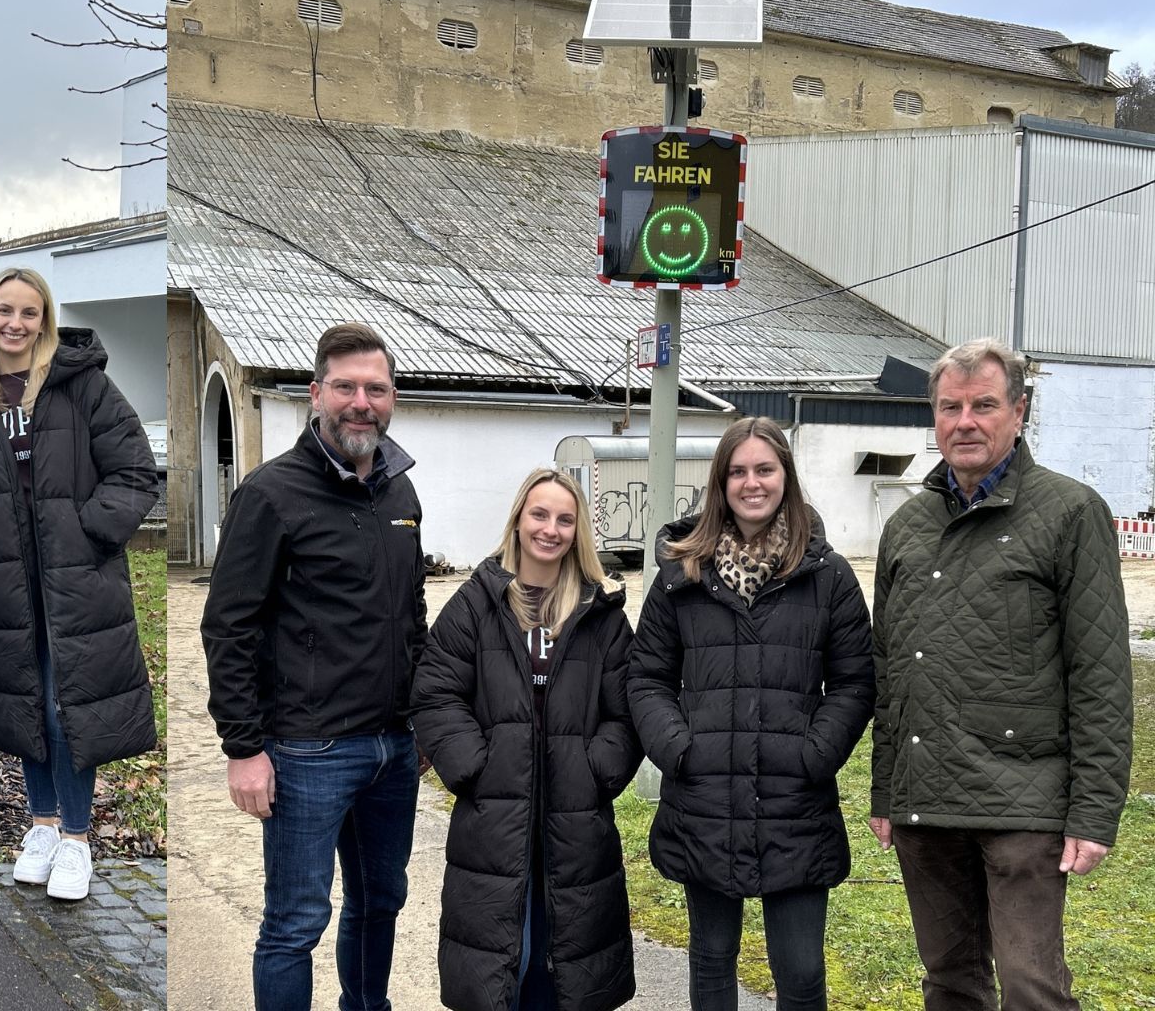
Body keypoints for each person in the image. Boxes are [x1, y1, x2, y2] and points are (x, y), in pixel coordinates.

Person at [870, 338, 1132, 1010]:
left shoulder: (1070, 513)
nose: (965, 422)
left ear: (1018, 411)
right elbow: (889, 666)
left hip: (1024, 803)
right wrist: (884, 790)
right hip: (926, 803)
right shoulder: (907, 526)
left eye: (983, 405)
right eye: (949, 406)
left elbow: (1099, 672)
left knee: (1031, 987)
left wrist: (1095, 812)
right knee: (950, 982)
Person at [201, 321, 427, 1011]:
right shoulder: (271, 495)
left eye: (376, 388)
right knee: (295, 923)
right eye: (346, 387)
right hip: (308, 750)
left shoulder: (401, 494)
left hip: (393, 748)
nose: (362, 401)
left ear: (392, 398)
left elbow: (412, 613)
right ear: (316, 393)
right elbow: (228, 625)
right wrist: (244, 749)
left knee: (381, 902)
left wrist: (422, 721)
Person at [628, 416, 874, 1011]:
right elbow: (646, 678)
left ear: (786, 477)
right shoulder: (682, 574)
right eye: (737, 471)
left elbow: (854, 681)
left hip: (794, 800)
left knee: (801, 971)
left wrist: (815, 754)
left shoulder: (828, 576)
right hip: (706, 797)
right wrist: (680, 750)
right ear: (719, 483)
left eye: (765, 469)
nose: (751, 483)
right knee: (711, 962)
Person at [0, 269, 158, 901]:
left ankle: (75, 837)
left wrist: (88, 532)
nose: (15, 324)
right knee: (26, 703)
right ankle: (39, 827)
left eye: (29, 313)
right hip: (11, 584)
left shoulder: (83, 387)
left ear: (45, 321)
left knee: (68, 704)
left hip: (79, 583)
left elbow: (135, 471)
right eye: (4, 311)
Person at [414, 468, 639, 1011]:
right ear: (518, 519)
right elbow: (436, 692)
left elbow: (630, 709)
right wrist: (476, 765)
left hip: (575, 818)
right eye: (539, 514)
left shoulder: (599, 614)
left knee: (562, 965)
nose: (551, 529)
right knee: (499, 964)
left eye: (565, 519)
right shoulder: (476, 604)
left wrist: (596, 768)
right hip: (495, 820)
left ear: (578, 531)